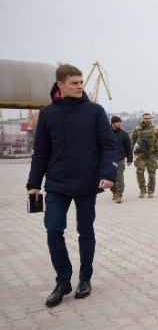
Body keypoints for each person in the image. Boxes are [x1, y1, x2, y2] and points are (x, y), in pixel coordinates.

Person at [26, 63, 117, 307]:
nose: (80, 87)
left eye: (81, 83)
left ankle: (85, 278)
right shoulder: (47, 114)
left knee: (85, 232)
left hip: (87, 182)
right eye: (74, 83)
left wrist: (109, 174)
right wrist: (34, 183)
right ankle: (63, 280)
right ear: (60, 85)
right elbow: (41, 152)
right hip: (56, 183)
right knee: (53, 230)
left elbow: (109, 145)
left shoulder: (95, 111)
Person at [131, 113, 158, 198]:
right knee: (139, 172)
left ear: (151, 119)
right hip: (141, 154)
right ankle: (142, 190)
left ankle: (150, 191)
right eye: (145, 118)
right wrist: (130, 151)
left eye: (148, 118)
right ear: (142, 119)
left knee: (152, 174)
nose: (147, 120)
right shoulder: (137, 129)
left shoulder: (155, 129)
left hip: (151, 154)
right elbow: (132, 140)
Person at [110, 116, 133, 203]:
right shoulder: (106, 133)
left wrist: (129, 159)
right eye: (117, 122)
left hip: (120, 159)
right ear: (112, 123)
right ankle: (114, 192)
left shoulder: (124, 134)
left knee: (119, 177)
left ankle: (119, 195)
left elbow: (128, 147)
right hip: (109, 159)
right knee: (110, 177)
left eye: (120, 122)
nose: (119, 123)